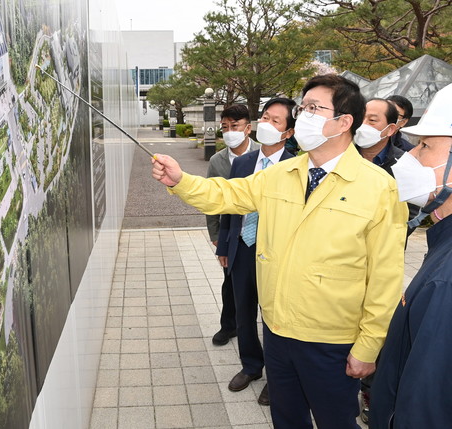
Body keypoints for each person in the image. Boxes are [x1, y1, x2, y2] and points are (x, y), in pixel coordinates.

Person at [151, 74, 408, 429]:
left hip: (331, 339)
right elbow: (226, 194)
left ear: (344, 121)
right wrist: (180, 180)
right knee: (286, 418)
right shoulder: (281, 173)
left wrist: (368, 346)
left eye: (314, 108)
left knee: (335, 420)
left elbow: (385, 276)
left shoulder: (379, 188)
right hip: (277, 329)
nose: (304, 115)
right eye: (303, 108)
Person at [371, 83, 452, 429]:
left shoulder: (445, 280)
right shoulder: (442, 246)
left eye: (426, 146)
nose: (411, 156)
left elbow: (425, 408)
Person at [216, 98, 295, 405]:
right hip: (242, 247)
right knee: (244, 312)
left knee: (274, 317)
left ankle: (277, 377)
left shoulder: (295, 167)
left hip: (276, 253)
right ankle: (251, 366)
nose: (266, 124)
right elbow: (230, 206)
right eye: (265, 116)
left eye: (276, 121)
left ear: (288, 132)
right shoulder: (243, 162)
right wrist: (224, 244)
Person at [353, 97, 418, 424]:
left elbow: (416, 209)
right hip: (343, 264)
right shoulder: (339, 156)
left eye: (373, 120)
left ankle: (369, 396)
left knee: (375, 330)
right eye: (361, 117)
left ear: (392, 128)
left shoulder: (404, 163)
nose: (363, 126)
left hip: (381, 262)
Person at [207, 104, 260, 347]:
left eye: (235, 126)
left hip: (263, 232)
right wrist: (217, 236)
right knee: (230, 284)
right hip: (232, 232)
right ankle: (228, 326)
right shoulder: (217, 161)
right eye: (225, 127)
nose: (229, 132)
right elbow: (212, 200)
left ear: (248, 128)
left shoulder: (264, 155)